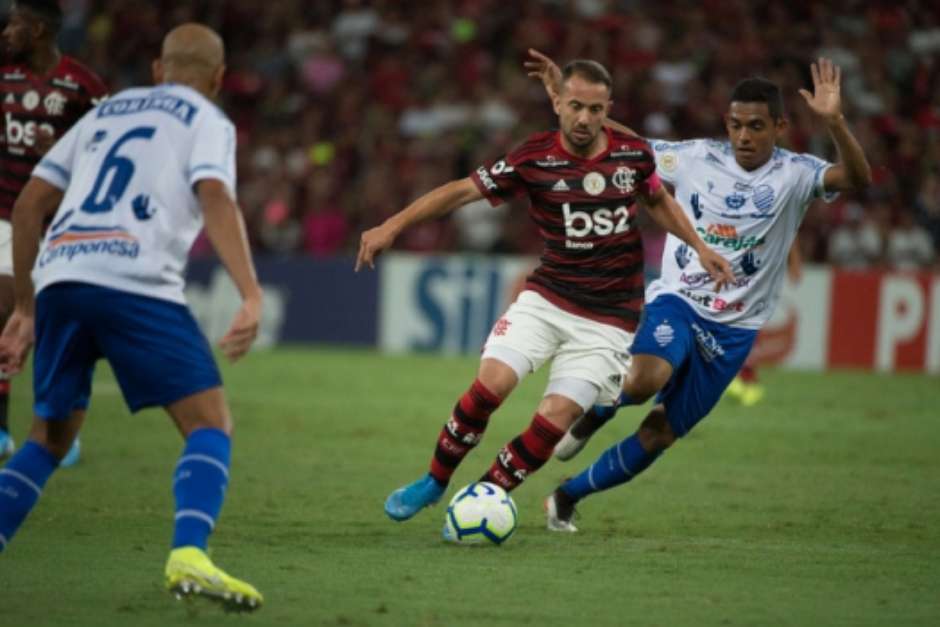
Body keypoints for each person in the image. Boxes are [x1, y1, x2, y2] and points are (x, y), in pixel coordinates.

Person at [356, 59, 734, 522]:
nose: (583, 118)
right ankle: (435, 480)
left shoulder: (633, 154)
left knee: (554, 418)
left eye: (595, 109)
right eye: (574, 105)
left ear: (607, 109)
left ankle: (482, 499)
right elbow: (460, 191)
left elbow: (658, 200)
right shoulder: (532, 157)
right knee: (490, 385)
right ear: (557, 102)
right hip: (547, 298)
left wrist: (699, 246)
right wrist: (392, 226)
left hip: (610, 322)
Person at [525, 50, 871, 532]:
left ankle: (566, 497)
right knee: (645, 377)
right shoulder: (694, 157)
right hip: (679, 301)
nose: (743, 136)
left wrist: (835, 122)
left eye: (755, 126)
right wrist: (571, 100)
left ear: (779, 127)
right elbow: (626, 143)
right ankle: (592, 415)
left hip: (735, 330)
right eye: (735, 125)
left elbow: (857, 177)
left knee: (660, 433)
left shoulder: (796, 174)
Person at [0, 23, 264, 611]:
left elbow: (26, 206)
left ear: (157, 69)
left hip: (62, 277)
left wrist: (25, 306)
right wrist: (250, 292)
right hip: (135, 282)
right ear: (218, 80)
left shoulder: (106, 111)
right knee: (210, 424)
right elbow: (215, 197)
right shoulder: (208, 120)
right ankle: (190, 553)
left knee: (48, 437)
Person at [0, 0, 108, 465]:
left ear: (40, 30)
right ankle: (3, 429)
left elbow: (106, 151)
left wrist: (66, 150)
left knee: (56, 328)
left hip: (60, 225)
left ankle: (58, 426)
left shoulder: (82, 86)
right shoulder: (4, 77)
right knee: (6, 310)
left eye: (18, 24)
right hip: (5, 217)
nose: (8, 31)